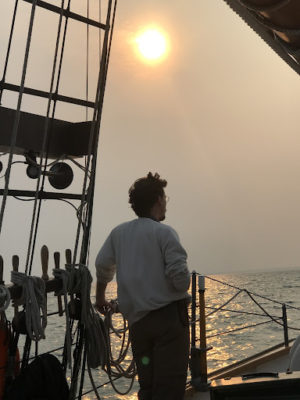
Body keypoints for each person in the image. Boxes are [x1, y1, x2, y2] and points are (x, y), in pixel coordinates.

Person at [95, 172, 190, 400]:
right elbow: (181, 281)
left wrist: (100, 298)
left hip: (138, 324)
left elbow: (102, 265)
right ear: (158, 199)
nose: (166, 202)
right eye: (164, 197)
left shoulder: (119, 234)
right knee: (169, 390)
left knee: (148, 389)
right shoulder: (165, 233)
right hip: (168, 322)